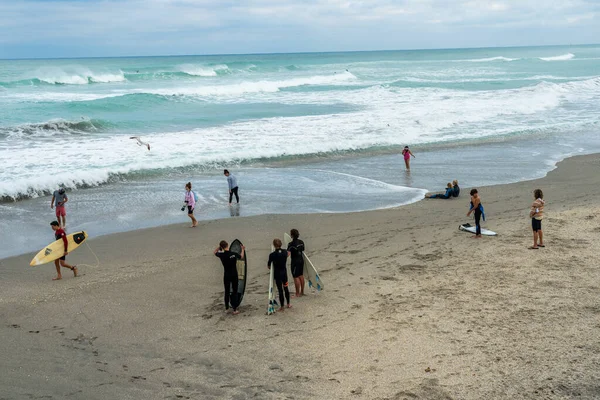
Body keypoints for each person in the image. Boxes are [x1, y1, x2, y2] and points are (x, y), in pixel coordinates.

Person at [214, 240, 245, 315]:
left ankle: (227, 308)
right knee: (234, 291)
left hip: (226, 275)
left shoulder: (221, 255)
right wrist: (243, 249)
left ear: (222, 247)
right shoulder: (233, 254)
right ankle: (234, 310)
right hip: (234, 275)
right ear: (228, 245)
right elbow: (241, 256)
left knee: (227, 291)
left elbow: (215, 252)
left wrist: (219, 247)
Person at [268, 239, 291, 311]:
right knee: (286, 288)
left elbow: (269, 266)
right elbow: (288, 254)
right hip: (284, 273)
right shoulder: (285, 252)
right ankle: (288, 304)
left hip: (277, 274)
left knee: (280, 290)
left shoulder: (272, 255)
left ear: (274, 245)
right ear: (281, 244)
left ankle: (282, 307)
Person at [286, 229, 305, 298]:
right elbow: (303, 249)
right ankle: (302, 292)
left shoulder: (290, 244)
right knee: (301, 275)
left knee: (295, 277)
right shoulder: (301, 242)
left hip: (295, 262)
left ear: (292, 235)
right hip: (301, 260)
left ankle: (297, 294)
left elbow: (288, 254)